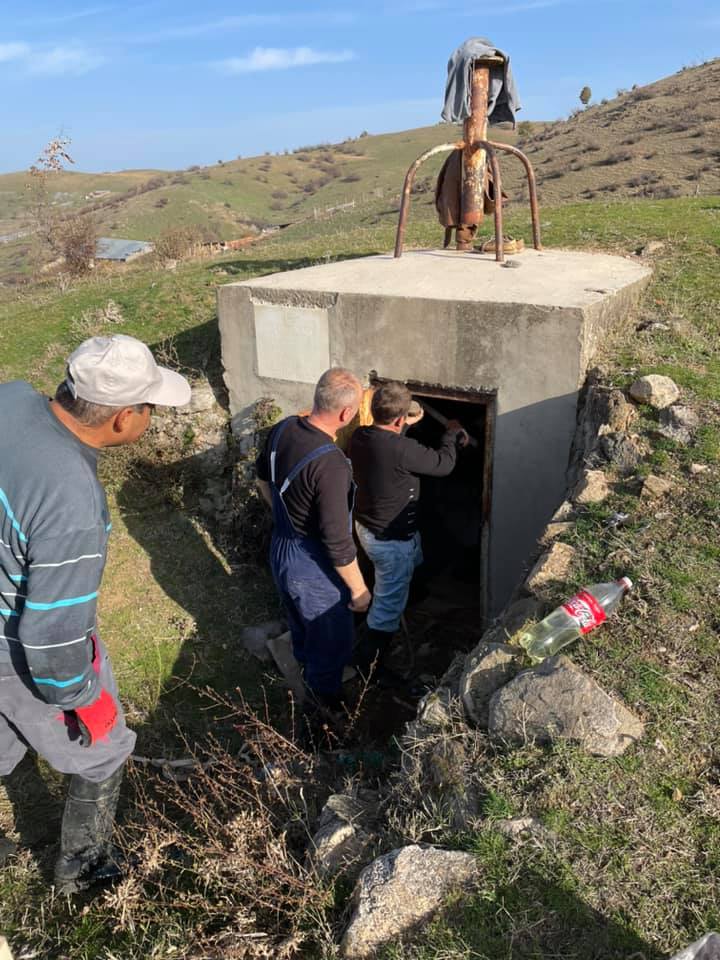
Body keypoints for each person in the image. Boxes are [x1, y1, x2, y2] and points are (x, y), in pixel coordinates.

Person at [0, 334, 191, 894]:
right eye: (150, 408)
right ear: (122, 418)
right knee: (102, 751)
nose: (152, 418)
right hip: (11, 641)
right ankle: (81, 872)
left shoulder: (11, 399)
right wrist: (83, 700)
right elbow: (51, 633)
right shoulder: (71, 501)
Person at [256, 368, 371, 716]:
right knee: (331, 638)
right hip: (311, 560)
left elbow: (262, 480)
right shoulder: (331, 464)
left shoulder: (284, 428)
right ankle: (322, 714)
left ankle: (305, 670)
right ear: (347, 414)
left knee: (301, 621)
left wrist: (286, 519)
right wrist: (360, 590)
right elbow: (337, 542)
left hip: (282, 546)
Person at [348, 380, 467, 683]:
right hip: (392, 542)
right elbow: (443, 464)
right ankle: (370, 666)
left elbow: (391, 445)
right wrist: (451, 433)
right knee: (386, 609)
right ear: (400, 419)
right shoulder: (403, 449)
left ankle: (402, 600)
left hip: (368, 529)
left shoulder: (360, 436)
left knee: (409, 569)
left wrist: (405, 426)